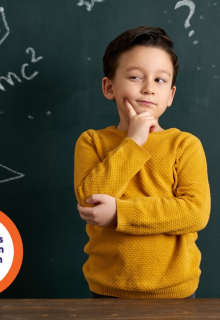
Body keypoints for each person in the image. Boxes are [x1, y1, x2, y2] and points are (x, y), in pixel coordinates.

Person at [74, 26, 211, 299]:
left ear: (170, 95)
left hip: (176, 293)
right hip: (107, 290)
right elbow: (90, 199)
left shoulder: (185, 145)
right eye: (136, 77)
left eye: (160, 80)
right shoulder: (91, 142)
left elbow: (195, 213)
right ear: (109, 87)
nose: (148, 88)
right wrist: (134, 142)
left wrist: (120, 213)